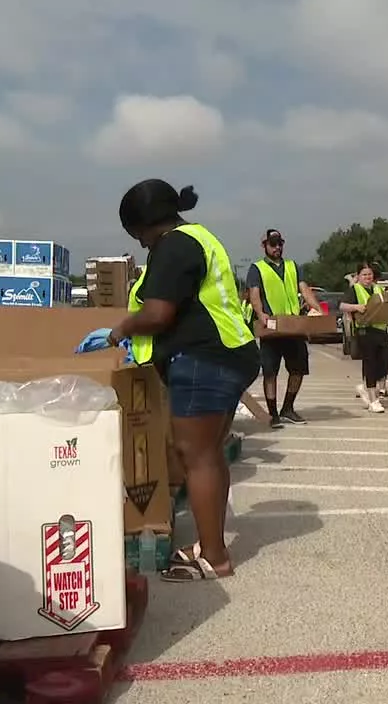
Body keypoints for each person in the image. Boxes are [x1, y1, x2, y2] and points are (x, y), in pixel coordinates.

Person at [107, 180, 259, 583]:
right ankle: (212, 544)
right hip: (228, 353)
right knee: (208, 453)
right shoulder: (199, 237)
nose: (139, 243)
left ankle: (214, 557)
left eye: (136, 233)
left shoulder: (173, 246)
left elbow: (157, 314)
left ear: (146, 223)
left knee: (195, 455)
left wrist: (123, 327)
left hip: (204, 359)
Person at [245, 228, 323, 428]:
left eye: (280, 243)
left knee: (298, 369)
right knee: (270, 372)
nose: (277, 247)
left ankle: (288, 408)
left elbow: (304, 289)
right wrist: (261, 314)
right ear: (264, 246)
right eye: (273, 244)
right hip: (271, 326)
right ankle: (273, 414)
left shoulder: (293, 266)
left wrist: (316, 308)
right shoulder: (257, 268)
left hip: (293, 325)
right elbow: (254, 294)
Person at [340, 264, 388, 413]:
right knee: (370, 364)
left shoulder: (378, 289)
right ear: (358, 276)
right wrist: (356, 307)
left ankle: (365, 387)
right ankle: (373, 400)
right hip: (365, 331)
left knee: (386, 364)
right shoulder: (354, 290)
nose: (367, 277)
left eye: (369, 274)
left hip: (381, 330)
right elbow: (342, 306)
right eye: (364, 275)